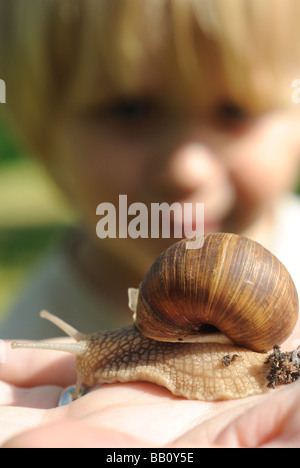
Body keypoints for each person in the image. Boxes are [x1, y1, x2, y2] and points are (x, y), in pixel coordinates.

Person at [0, 0, 300, 448]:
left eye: (234, 110)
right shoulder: (19, 333)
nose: (186, 167)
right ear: (45, 135)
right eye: (129, 110)